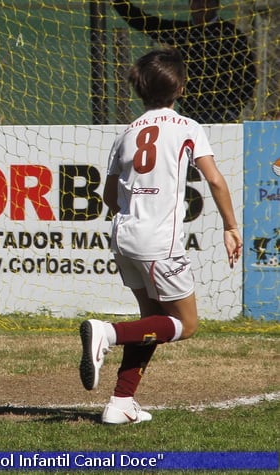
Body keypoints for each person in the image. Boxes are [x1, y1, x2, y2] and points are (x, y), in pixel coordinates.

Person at [79, 48, 241, 424]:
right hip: (158, 242)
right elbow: (214, 179)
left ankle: (120, 403)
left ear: (140, 89)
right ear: (180, 88)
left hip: (124, 236)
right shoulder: (187, 127)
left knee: (151, 319)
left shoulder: (126, 134)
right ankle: (107, 333)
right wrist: (231, 227)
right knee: (187, 325)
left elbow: (107, 197)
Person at [111, 0, 256, 123]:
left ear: (215, 4)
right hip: (191, 111)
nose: (201, 5)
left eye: (206, 1)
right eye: (196, 1)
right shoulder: (182, 32)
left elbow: (249, 76)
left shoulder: (231, 35)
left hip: (224, 114)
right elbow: (144, 23)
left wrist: (233, 108)